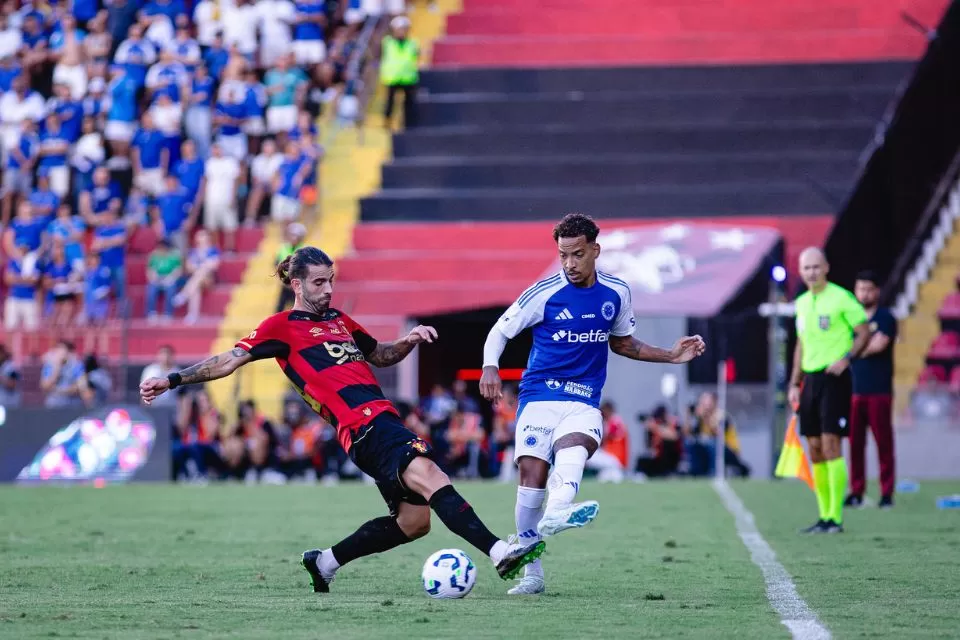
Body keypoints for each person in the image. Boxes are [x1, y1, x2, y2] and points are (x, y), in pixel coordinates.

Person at [140, 246, 545, 591]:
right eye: (319, 282)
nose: (329, 289)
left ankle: (325, 563)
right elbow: (227, 360)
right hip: (363, 426)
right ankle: (499, 551)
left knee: (413, 522)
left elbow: (379, 354)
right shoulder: (280, 327)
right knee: (432, 475)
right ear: (296, 285)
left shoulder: (339, 321)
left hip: (380, 421)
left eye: (331, 280)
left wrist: (407, 341)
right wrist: (172, 380)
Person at [479, 212, 706, 595]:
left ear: (595, 250)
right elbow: (500, 330)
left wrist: (669, 355)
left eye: (577, 254)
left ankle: (556, 514)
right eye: (563, 255)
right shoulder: (544, 292)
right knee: (531, 482)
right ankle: (533, 573)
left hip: (583, 398)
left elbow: (623, 342)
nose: (569, 263)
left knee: (575, 450)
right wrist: (489, 367)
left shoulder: (616, 293)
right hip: (538, 397)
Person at [788, 247, 871, 534]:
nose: (811, 272)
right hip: (809, 381)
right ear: (801, 271)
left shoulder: (841, 298)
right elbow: (801, 344)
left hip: (834, 380)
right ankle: (824, 516)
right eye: (806, 268)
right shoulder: (800, 303)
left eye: (815, 267)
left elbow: (864, 331)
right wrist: (794, 383)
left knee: (831, 444)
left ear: (826, 267)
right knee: (814, 448)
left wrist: (847, 359)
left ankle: (835, 518)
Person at [847, 270, 898, 509]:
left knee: (883, 443)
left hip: (879, 390)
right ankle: (856, 490)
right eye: (860, 289)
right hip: (854, 390)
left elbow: (878, 345)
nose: (864, 293)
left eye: (868, 289)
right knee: (855, 444)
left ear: (877, 291)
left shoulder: (886, 317)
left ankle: (886, 493)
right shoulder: (850, 318)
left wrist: (853, 350)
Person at [380, 15, 418, 130]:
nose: (401, 31)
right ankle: (387, 123)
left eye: (404, 29)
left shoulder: (413, 43)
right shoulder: (387, 42)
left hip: (408, 78)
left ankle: (407, 125)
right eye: (399, 29)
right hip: (392, 77)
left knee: (408, 104)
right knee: (390, 102)